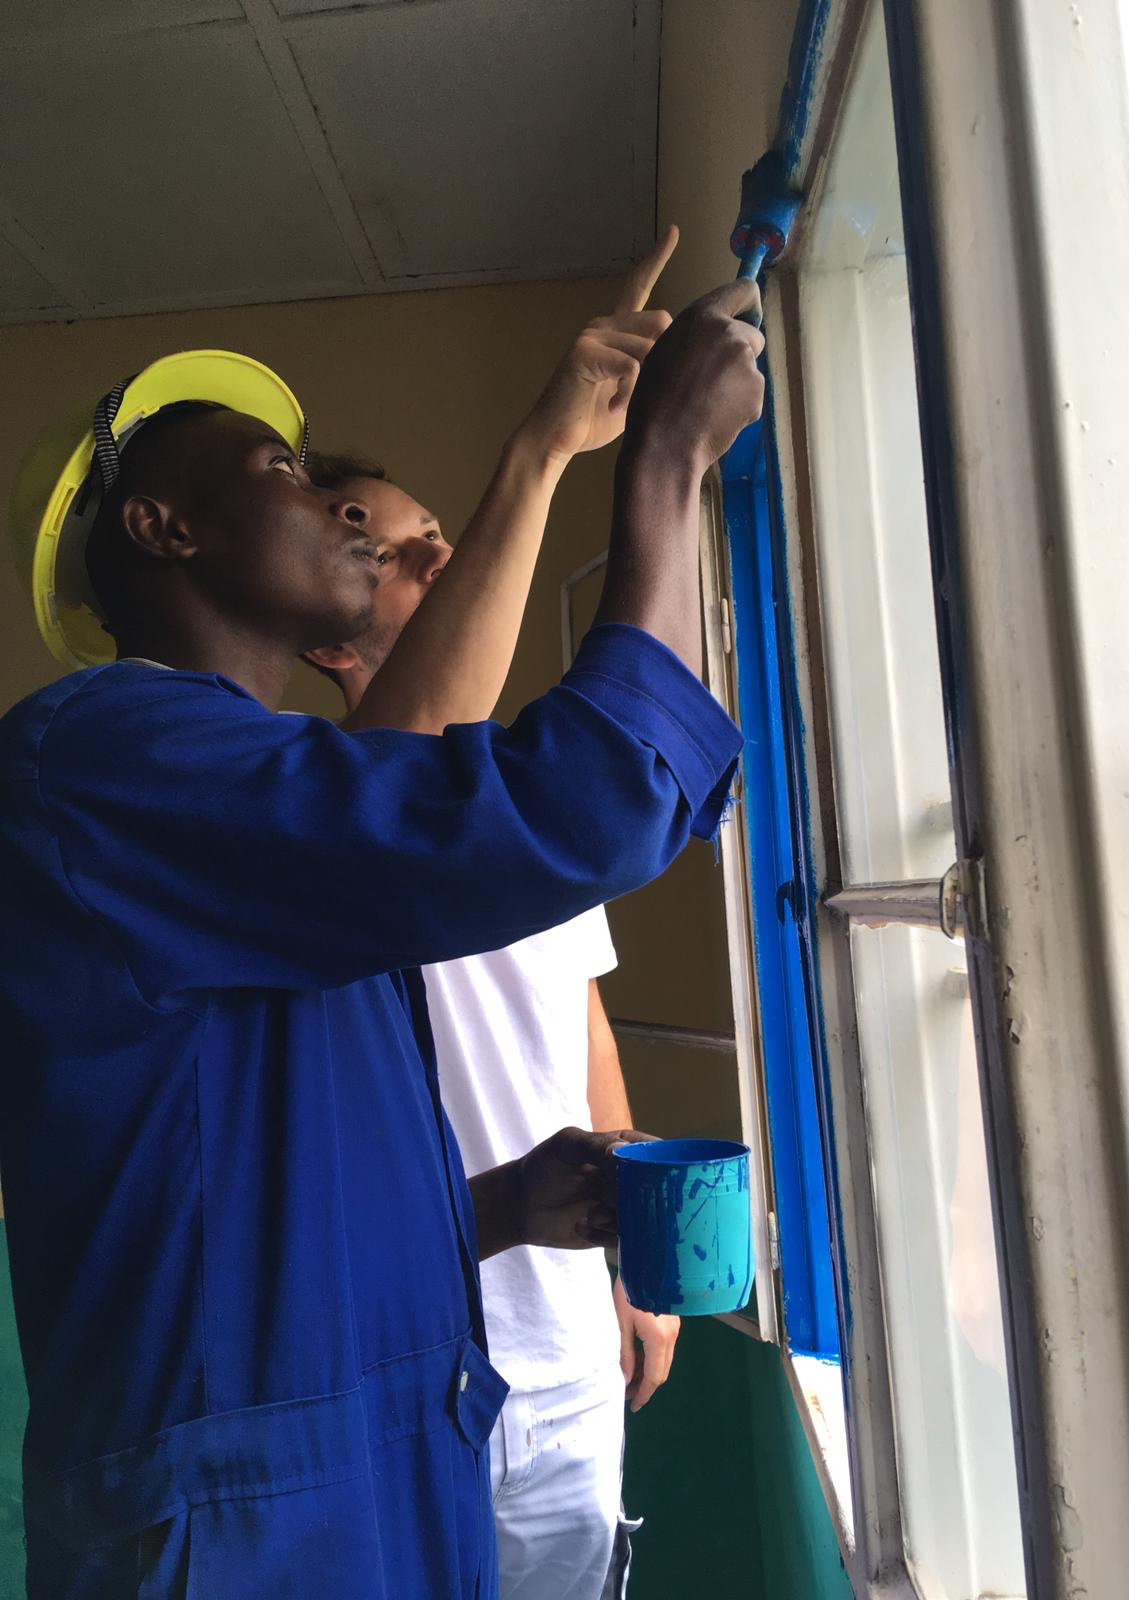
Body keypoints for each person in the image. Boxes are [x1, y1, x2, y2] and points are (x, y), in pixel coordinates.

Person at [0, 277, 764, 1598]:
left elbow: (247, 1201)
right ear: (163, 525)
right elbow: (580, 803)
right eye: (284, 473)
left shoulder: (260, 799)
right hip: (241, 1530)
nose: (335, 509)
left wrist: (489, 1208)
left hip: (363, 1475)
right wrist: (667, 469)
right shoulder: (103, 761)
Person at [301, 239, 685, 1599]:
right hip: (408, 1365)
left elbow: (579, 1025)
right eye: (397, 550)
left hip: (570, 1358)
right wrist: (562, 449)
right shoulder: (317, 821)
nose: (442, 552)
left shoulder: (523, 799)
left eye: (432, 535)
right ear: (328, 636)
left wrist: (636, 1271)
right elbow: (420, 754)